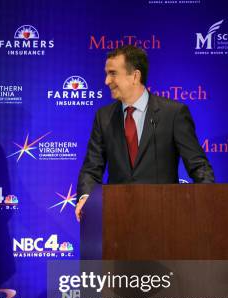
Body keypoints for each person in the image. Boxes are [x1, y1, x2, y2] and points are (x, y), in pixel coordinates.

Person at [75, 45, 214, 222]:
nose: (106, 81)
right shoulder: (104, 117)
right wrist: (86, 197)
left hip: (164, 221)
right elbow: (91, 168)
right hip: (118, 221)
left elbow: (198, 166)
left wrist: (207, 201)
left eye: (113, 73)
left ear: (135, 76)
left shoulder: (173, 113)